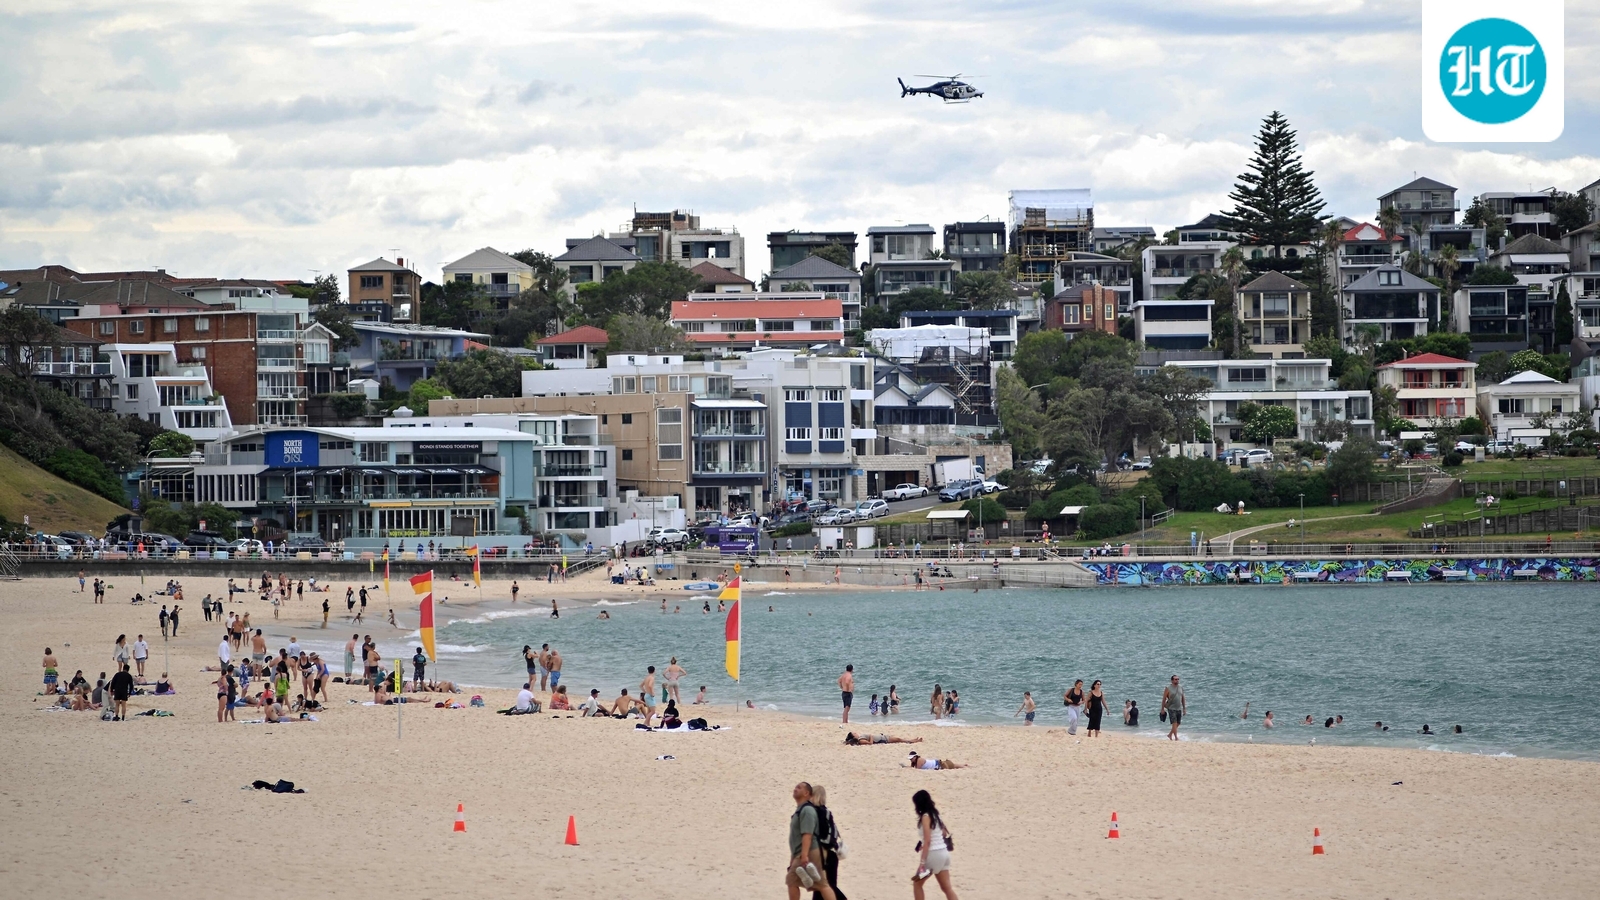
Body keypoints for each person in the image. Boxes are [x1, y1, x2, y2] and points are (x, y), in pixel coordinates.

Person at [786, 782, 836, 900]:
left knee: (820, 884)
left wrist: (804, 856)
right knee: (794, 881)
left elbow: (807, 835)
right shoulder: (801, 810)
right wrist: (793, 857)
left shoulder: (807, 810)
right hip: (803, 852)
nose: (795, 789)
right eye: (795, 786)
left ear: (806, 793)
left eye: (798, 787)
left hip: (810, 851)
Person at [911, 789, 959, 900]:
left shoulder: (925, 817)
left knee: (917, 884)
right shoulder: (936, 815)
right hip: (944, 854)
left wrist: (922, 862)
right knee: (947, 889)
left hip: (933, 855)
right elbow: (943, 833)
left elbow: (928, 841)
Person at [810, 785, 848, 900]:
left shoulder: (814, 813)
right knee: (825, 887)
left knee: (825, 887)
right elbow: (833, 835)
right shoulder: (827, 812)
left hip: (822, 856)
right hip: (832, 855)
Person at [1161, 674, 1185, 741]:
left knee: (1178, 723)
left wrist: (1184, 708)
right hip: (1171, 708)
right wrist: (1162, 709)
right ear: (1172, 680)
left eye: (1178, 679)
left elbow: (1183, 698)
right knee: (1174, 723)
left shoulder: (1180, 687)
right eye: (1175, 679)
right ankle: (1176, 737)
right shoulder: (1168, 688)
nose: (1177, 680)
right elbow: (1164, 699)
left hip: (1179, 708)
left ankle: (1169, 734)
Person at [845, 732, 923, 745]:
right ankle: (914, 741)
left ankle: (913, 740)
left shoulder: (861, 737)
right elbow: (870, 743)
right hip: (883, 739)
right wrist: (871, 736)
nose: (856, 733)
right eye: (854, 733)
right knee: (899, 739)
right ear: (854, 736)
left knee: (899, 739)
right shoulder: (860, 740)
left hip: (883, 736)